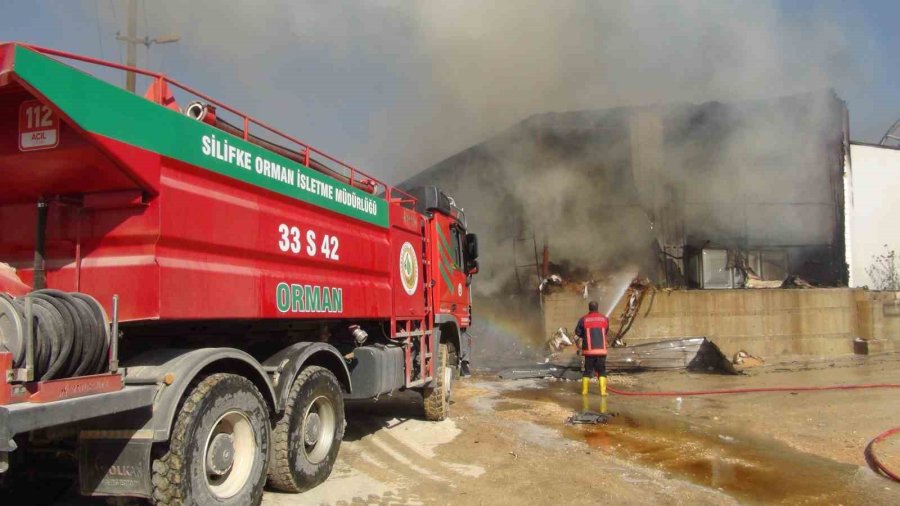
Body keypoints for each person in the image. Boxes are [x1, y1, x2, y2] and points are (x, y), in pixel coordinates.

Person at [574, 300, 609, 396]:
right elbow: (606, 331)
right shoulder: (605, 319)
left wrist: (583, 335)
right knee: (601, 371)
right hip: (601, 351)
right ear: (597, 308)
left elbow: (578, 332)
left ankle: (584, 392)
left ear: (589, 308)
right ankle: (603, 392)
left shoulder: (583, 319)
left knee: (587, 371)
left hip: (589, 351)